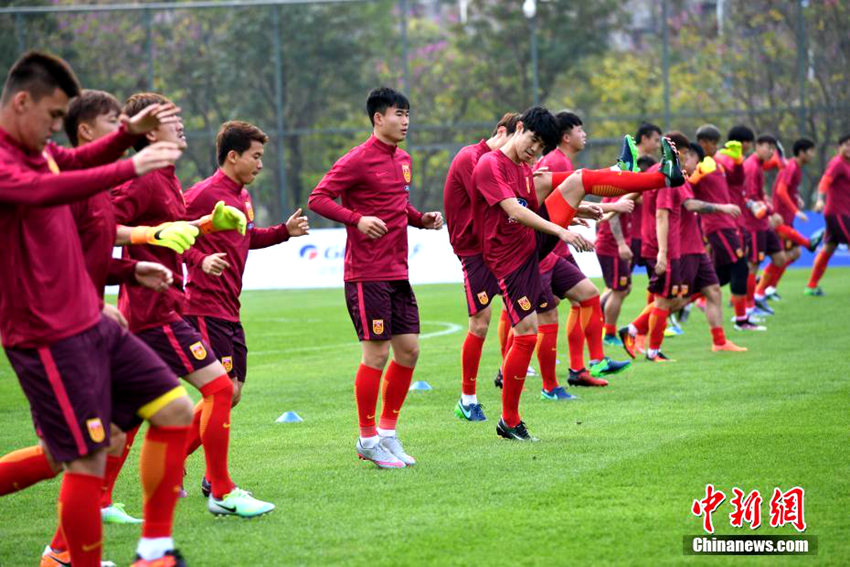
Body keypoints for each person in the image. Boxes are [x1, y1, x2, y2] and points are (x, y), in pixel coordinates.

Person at [0, 51, 193, 567]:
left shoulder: (40, 153)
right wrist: (131, 162)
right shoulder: (6, 162)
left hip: (90, 322)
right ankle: (70, 560)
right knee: (84, 456)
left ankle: (154, 551)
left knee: (175, 409)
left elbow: (75, 165)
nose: (55, 132)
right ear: (22, 101)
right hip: (45, 337)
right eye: (52, 118)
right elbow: (44, 190)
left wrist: (128, 134)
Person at [472, 106, 684, 441]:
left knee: (581, 179)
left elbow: (543, 195)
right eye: (533, 141)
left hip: (530, 245)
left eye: (542, 147)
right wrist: (561, 231)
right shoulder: (490, 164)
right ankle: (509, 419)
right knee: (527, 334)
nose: (535, 150)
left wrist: (576, 210)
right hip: (510, 260)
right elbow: (513, 210)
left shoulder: (525, 168)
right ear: (520, 128)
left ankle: (662, 175)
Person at [112, 92, 275, 518]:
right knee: (220, 388)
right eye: (171, 120)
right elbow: (104, 227)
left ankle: (98, 499)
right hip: (155, 309)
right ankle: (220, 489)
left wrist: (204, 224)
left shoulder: (166, 176)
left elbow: (172, 228)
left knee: (128, 412)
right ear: (148, 132)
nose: (181, 125)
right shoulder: (145, 176)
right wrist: (152, 236)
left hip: (162, 305)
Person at [308, 87, 444, 468]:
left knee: (410, 350)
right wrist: (357, 219)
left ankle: (387, 433)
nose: (405, 121)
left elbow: (399, 205)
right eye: (398, 114)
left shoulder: (403, 159)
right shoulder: (357, 159)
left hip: (398, 270)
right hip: (366, 274)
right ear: (377, 118)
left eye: (408, 114)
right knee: (377, 353)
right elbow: (318, 198)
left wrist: (422, 219)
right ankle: (366, 439)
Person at [182, 120, 309, 493]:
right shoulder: (205, 194)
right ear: (232, 156)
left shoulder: (242, 195)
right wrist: (198, 260)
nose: (260, 164)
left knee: (231, 393)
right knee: (220, 390)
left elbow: (246, 238)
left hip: (229, 309)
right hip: (203, 305)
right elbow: (168, 231)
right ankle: (209, 477)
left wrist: (284, 232)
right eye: (255, 156)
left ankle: (180, 460)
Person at [443, 112, 519, 421]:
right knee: (481, 322)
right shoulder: (471, 158)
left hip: (500, 245)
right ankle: (467, 398)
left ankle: (507, 369)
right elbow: (500, 202)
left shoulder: (506, 163)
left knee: (529, 310)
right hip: (475, 250)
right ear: (502, 132)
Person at [691, 124, 762, 331]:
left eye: (716, 142)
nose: (715, 147)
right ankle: (742, 319)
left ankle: (683, 302)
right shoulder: (702, 166)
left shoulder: (717, 164)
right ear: (703, 143)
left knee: (718, 277)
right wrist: (695, 176)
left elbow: (737, 181)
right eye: (712, 143)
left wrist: (739, 161)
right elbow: (689, 190)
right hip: (717, 225)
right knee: (740, 265)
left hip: (729, 224)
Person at [758, 138, 823, 298]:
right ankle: (760, 290)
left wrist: (797, 198)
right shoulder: (791, 166)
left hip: (785, 219)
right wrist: (796, 211)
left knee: (793, 254)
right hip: (779, 219)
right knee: (782, 256)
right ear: (801, 152)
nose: (812, 155)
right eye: (810, 151)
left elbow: (788, 189)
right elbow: (780, 190)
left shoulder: (795, 167)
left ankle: (768, 288)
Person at [806, 133, 850, 295]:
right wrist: (819, 199)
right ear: (839, 148)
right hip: (837, 213)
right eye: (846, 144)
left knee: (829, 248)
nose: (849, 148)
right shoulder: (837, 163)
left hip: (843, 213)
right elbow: (825, 181)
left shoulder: (847, 165)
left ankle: (811, 286)